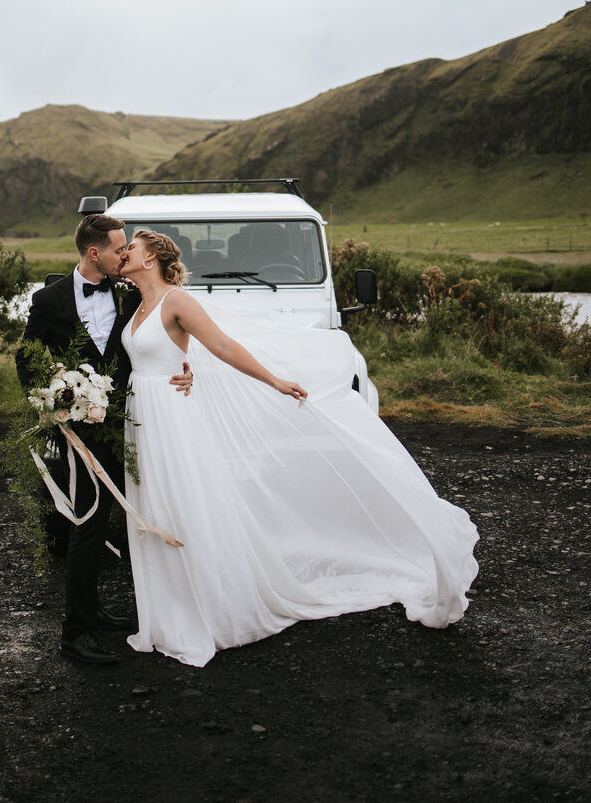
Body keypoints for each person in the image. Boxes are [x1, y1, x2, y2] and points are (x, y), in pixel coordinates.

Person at [118, 229, 480, 668]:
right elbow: (160, 357)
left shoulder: (177, 300)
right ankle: (165, 613)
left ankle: (208, 610)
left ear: (152, 257)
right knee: (154, 506)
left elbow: (222, 345)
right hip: (143, 416)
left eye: (131, 248)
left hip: (171, 417)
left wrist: (274, 381)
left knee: (183, 504)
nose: (124, 253)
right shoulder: (137, 304)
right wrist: (183, 367)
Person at [15, 213, 193, 666]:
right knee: (89, 523)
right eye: (118, 248)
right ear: (94, 253)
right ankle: (74, 633)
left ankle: (93, 610)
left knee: (122, 512)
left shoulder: (131, 291)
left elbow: (161, 338)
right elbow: (27, 357)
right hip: (77, 433)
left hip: (132, 425)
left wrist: (186, 365)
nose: (125, 254)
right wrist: (52, 401)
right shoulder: (48, 300)